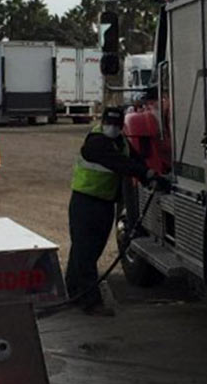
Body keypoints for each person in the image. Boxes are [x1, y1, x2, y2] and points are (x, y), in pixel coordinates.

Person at [66, 106, 167, 315]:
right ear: (103, 123)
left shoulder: (120, 142)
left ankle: (74, 292)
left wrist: (152, 176)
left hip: (103, 204)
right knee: (85, 252)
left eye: (116, 125)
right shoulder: (96, 142)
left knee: (86, 252)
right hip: (85, 203)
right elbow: (120, 163)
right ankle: (90, 302)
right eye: (109, 124)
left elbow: (134, 159)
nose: (112, 127)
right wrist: (145, 174)